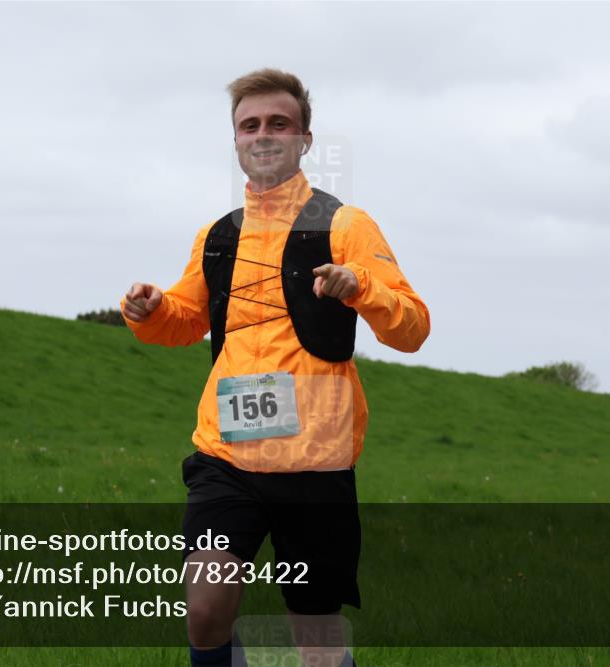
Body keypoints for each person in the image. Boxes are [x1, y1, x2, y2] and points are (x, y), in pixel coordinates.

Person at [121, 68, 430, 667]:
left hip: (316, 462)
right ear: (235, 140)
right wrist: (150, 308)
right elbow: (185, 319)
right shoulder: (216, 236)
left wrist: (361, 286)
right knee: (205, 609)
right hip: (226, 457)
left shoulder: (346, 224)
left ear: (304, 140)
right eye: (249, 125)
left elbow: (412, 327)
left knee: (315, 641)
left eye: (279, 124)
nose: (263, 135)